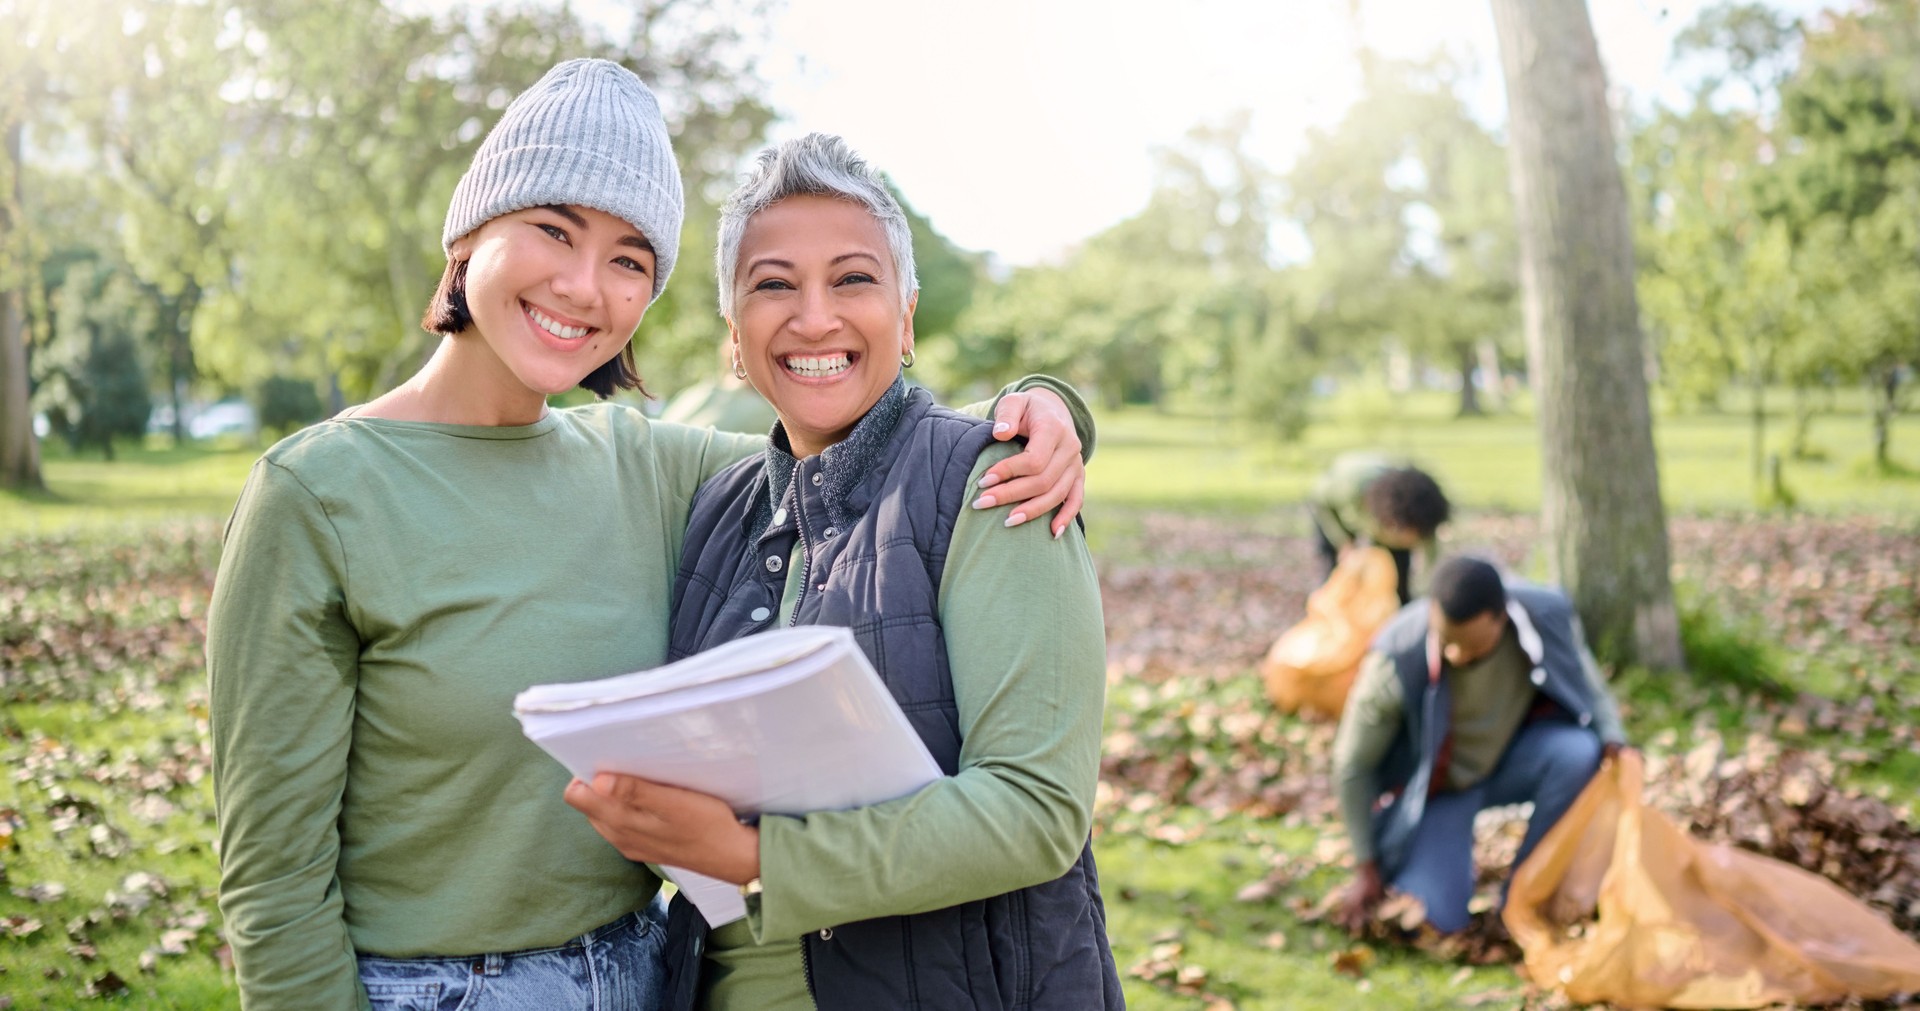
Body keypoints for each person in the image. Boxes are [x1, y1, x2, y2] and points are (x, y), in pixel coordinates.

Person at [206, 62, 1092, 1011]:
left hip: (642, 978)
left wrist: (1042, 411)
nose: (585, 286)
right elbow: (273, 880)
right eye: (553, 229)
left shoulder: (645, 468)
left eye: (629, 258)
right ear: (468, 233)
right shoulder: (314, 494)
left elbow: (872, 433)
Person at [562, 133, 1123, 1010]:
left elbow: (1036, 809)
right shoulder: (716, 504)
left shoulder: (994, 483)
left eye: (853, 280)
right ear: (735, 339)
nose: (814, 317)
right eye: (773, 285)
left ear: (904, 318)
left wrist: (756, 859)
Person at [1331, 556, 1628, 936]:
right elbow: (1351, 765)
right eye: (1446, 641)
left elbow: (1590, 687)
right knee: (1435, 920)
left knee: (1578, 751)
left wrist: (1613, 738)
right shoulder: (1397, 656)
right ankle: (1429, 872)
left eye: (1468, 646)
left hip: (1512, 761)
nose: (1454, 654)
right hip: (1437, 790)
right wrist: (1365, 867)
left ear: (1500, 619)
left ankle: (1524, 895)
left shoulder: (1542, 618)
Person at [1307, 450, 1451, 605]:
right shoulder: (1350, 489)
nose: (1413, 544)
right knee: (1336, 569)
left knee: (1397, 575)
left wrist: (1428, 600)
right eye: (1409, 538)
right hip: (1332, 509)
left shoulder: (1422, 523)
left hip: (1383, 523)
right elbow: (1320, 503)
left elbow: (1431, 569)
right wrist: (1342, 542)